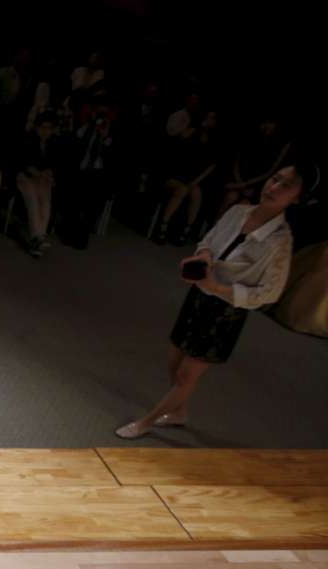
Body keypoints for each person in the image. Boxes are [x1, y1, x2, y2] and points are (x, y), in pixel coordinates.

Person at [116, 163, 314, 440]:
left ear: (297, 198)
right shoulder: (238, 212)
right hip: (200, 294)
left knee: (186, 375)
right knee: (174, 361)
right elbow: (208, 239)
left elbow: (270, 293)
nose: (275, 187)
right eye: (275, 179)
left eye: (286, 186)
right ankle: (179, 412)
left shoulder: (280, 242)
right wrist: (205, 256)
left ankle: (146, 422)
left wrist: (220, 287)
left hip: (226, 311)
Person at [57, 93, 117, 249]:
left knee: (91, 204)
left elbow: (113, 156)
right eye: (98, 112)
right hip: (81, 170)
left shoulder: (111, 129)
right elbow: (74, 142)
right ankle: (68, 232)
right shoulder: (85, 126)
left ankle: (81, 237)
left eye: (103, 113)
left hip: (98, 173)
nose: (100, 116)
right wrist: (89, 125)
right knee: (74, 197)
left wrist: (105, 136)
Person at [154, 110, 221, 246]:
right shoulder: (190, 132)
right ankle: (162, 227)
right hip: (174, 174)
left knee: (197, 193)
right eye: (208, 117)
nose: (209, 121)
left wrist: (196, 181)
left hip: (192, 178)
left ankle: (186, 230)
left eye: (213, 119)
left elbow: (211, 166)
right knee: (182, 190)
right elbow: (175, 151)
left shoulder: (212, 140)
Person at [216, 115, 294, 219]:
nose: (268, 126)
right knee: (230, 196)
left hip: (257, 184)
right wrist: (239, 182)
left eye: (271, 123)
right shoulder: (253, 136)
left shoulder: (280, 144)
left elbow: (270, 171)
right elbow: (238, 159)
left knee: (244, 205)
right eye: (266, 122)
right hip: (241, 177)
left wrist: (246, 184)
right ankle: (215, 225)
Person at [14, 111, 63, 258]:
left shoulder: (53, 142)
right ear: (37, 127)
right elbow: (24, 163)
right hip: (25, 175)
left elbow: (53, 164)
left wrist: (48, 174)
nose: (45, 131)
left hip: (41, 177)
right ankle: (37, 236)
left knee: (46, 202)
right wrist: (40, 174)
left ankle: (39, 236)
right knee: (33, 199)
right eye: (43, 127)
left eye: (49, 128)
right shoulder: (28, 139)